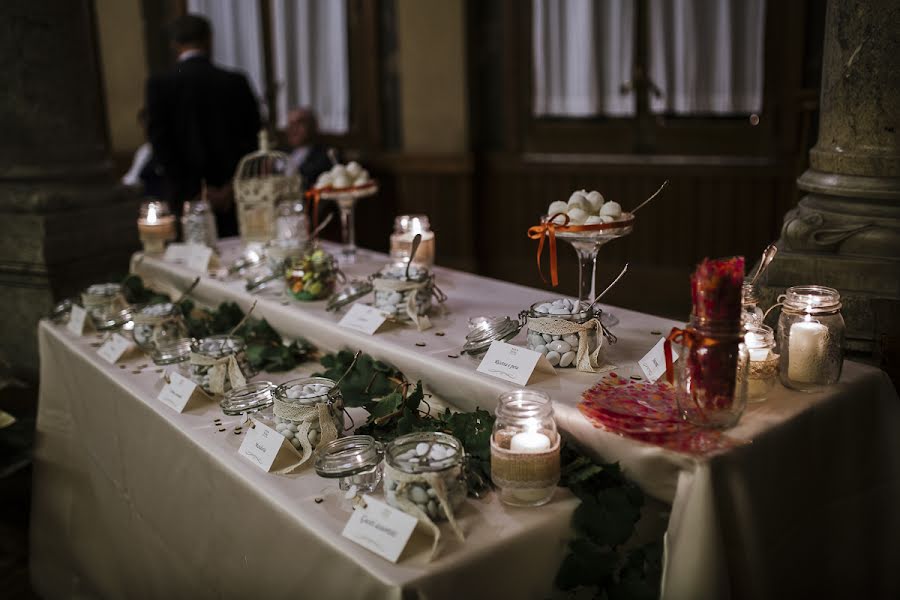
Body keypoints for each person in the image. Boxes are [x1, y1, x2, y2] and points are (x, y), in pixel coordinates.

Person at [145, 14, 260, 237]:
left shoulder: (161, 84)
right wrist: (230, 187)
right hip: (233, 198)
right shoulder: (234, 81)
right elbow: (252, 139)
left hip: (186, 198)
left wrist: (194, 192)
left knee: (192, 262)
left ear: (175, 45)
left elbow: (160, 143)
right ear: (209, 39)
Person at [284, 107, 333, 189]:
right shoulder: (281, 153)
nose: (293, 129)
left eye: (299, 123)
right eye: (291, 124)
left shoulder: (326, 155)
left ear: (313, 126)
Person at [121, 108, 164, 198]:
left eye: (150, 126)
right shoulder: (144, 150)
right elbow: (130, 180)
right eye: (143, 126)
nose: (146, 131)